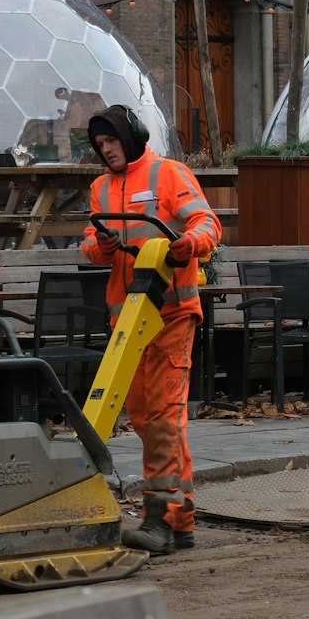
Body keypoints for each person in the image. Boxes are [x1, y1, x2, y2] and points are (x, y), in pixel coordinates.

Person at [81, 104, 221, 554]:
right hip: (127, 322)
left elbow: (207, 223)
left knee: (164, 416)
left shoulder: (169, 175)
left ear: (132, 137)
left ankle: (157, 517)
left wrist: (190, 245)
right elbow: (91, 246)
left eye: (112, 143)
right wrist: (100, 245)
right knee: (145, 418)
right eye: (100, 146)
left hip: (171, 315)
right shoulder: (101, 188)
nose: (107, 152)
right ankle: (179, 520)